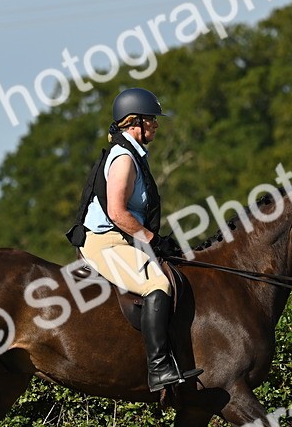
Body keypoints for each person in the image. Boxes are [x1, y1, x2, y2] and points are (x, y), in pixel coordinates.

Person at [66, 87, 201, 392]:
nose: (156, 124)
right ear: (134, 122)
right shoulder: (124, 157)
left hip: (123, 239)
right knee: (158, 284)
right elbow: (117, 212)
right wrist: (154, 239)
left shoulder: (133, 155)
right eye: (151, 119)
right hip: (105, 241)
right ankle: (159, 369)